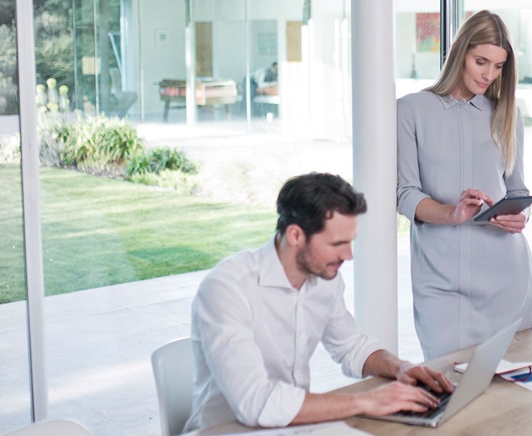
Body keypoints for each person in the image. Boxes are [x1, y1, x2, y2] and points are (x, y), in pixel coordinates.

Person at [184, 172, 453, 431]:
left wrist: (401, 367)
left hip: (293, 427)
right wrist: (367, 401)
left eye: (350, 242)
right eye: (337, 243)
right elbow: (256, 403)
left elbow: (352, 347)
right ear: (296, 236)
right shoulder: (227, 289)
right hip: (226, 430)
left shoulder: (324, 279)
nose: (348, 255)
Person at [397, 11, 532, 360]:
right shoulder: (410, 111)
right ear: (458, 49)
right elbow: (403, 193)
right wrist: (451, 212)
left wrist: (520, 214)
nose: (489, 74)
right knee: (448, 387)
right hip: (441, 282)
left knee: (509, 400)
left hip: (507, 277)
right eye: (481, 62)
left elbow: (516, 189)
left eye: (499, 66)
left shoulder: (508, 113)